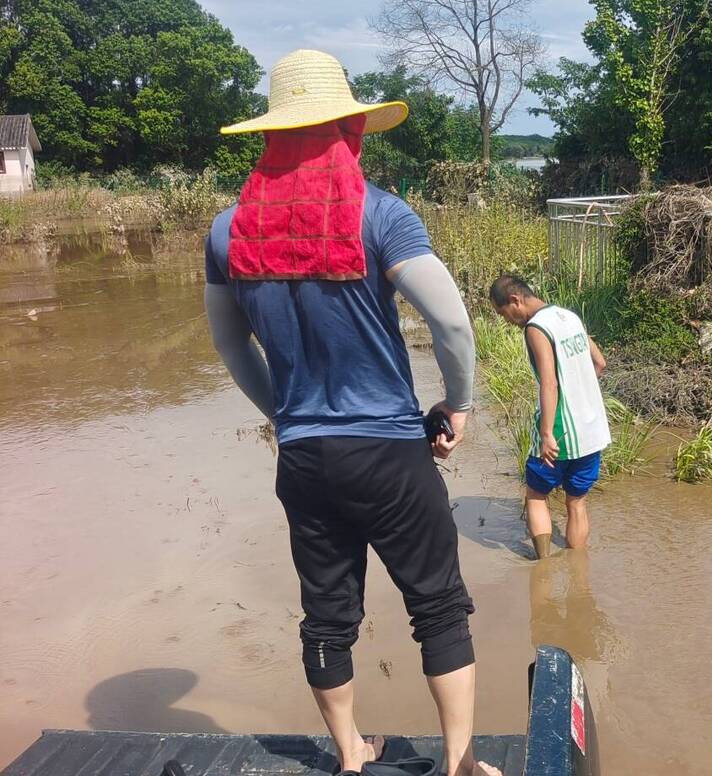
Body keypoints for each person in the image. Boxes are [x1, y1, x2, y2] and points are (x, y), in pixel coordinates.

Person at [204, 49, 499, 776]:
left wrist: (287, 413)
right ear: (346, 130)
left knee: (328, 616)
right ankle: (459, 764)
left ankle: (349, 757)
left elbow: (231, 347)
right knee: (437, 606)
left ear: (272, 137)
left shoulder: (227, 232)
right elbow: (455, 325)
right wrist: (458, 404)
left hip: (305, 460)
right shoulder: (380, 215)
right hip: (389, 454)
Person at [488, 275, 610, 559]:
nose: (506, 319)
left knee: (536, 495)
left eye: (502, 312)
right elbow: (600, 363)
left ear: (515, 300)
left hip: (560, 430)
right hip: (591, 430)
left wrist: (546, 433)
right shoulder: (569, 316)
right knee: (577, 502)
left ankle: (543, 568)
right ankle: (577, 571)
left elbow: (549, 383)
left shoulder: (536, 328)